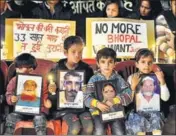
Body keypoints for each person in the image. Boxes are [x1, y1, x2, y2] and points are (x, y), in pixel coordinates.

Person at [48, 36, 94, 135]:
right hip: (64, 109)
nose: (77, 55)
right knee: (74, 127)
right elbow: (51, 97)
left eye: (80, 52)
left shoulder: (87, 69)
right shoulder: (56, 69)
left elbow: (92, 92)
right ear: (65, 52)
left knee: (89, 127)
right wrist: (52, 91)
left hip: (82, 108)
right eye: (73, 52)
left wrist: (88, 90)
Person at [84, 47, 132, 135]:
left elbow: (129, 94)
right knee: (99, 131)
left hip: (116, 112)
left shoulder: (118, 78)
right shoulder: (94, 79)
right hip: (98, 112)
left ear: (115, 63)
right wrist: (97, 103)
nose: (106, 65)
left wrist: (116, 100)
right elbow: (86, 97)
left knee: (120, 132)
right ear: (98, 63)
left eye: (110, 62)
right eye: (103, 62)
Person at [125, 48, 170, 135]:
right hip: (136, 111)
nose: (146, 65)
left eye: (150, 62)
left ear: (153, 63)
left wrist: (162, 81)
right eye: (143, 62)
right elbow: (127, 101)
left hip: (154, 111)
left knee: (158, 129)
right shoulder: (132, 78)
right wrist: (133, 87)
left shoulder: (157, 77)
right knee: (137, 128)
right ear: (137, 64)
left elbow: (165, 98)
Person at [4, 53, 52, 135]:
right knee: (11, 118)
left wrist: (46, 104)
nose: (19, 70)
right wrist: (11, 99)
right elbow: (8, 93)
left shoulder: (40, 80)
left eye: (22, 68)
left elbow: (44, 94)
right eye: (18, 68)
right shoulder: (14, 80)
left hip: (37, 111)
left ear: (31, 69)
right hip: (19, 110)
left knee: (40, 120)